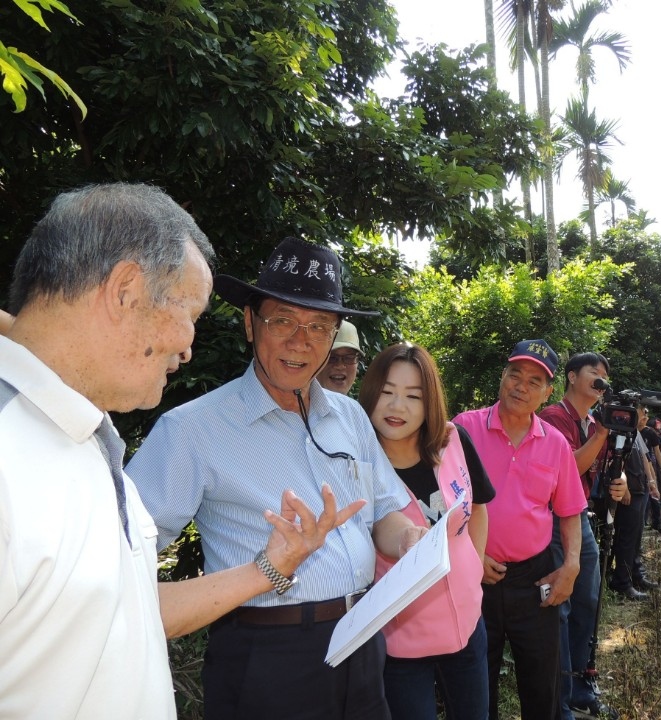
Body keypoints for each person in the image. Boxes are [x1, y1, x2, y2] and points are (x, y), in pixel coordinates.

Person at [0, 184, 360, 719]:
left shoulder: (84, 443)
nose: (189, 345)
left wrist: (272, 566)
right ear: (125, 290)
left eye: (318, 328)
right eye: (188, 311)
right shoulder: (13, 453)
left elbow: (135, 602)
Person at [126, 236, 426, 720]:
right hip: (267, 656)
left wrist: (409, 537)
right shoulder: (192, 431)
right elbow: (119, 553)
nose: (300, 340)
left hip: (365, 641)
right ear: (250, 323)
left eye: (318, 326)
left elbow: (383, 513)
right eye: (282, 320)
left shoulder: (350, 417)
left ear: (334, 338)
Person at [358, 342, 496, 720]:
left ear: (429, 401)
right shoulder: (356, 466)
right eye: (387, 392)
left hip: (467, 626)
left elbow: (479, 508)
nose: (397, 406)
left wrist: (476, 574)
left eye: (412, 396)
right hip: (400, 642)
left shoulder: (453, 441)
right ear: (370, 394)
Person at [452, 339, 586, 720]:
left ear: (546, 393)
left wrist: (571, 565)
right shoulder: (464, 428)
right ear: (502, 376)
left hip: (534, 576)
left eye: (533, 382)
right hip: (475, 576)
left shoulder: (555, 443)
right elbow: (441, 504)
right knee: (476, 677)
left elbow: (570, 510)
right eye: (515, 374)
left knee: (542, 679)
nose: (520, 387)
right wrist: (471, 554)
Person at [538, 352, 627, 719]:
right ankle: (558, 692)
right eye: (594, 371)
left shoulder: (593, 421)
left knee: (588, 601)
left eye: (605, 373)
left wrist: (620, 485)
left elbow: (601, 471)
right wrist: (605, 431)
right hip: (552, 522)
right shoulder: (553, 417)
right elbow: (569, 468)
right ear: (572, 377)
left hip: (580, 519)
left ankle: (578, 683)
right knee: (563, 603)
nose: (601, 377)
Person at [609, 410, 660, 599]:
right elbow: (617, 459)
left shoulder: (635, 432)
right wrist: (626, 489)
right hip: (629, 491)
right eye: (641, 411)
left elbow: (645, 459)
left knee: (636, 539)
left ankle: (635, 574)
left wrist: (652, 484)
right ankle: (622, 582)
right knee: (626, 539)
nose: (644, 415)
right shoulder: (618, 429)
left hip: (641, 489)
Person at [318, 319, 365, 394]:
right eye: (331, 358)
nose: (340, 366)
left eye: (349, 358)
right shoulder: (296, 404)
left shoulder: (355, 405)